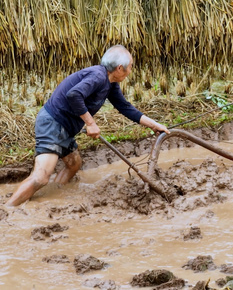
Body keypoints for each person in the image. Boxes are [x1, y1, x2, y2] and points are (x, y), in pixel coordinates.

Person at [5, 45, 170, 206]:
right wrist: (91, 123)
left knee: (73, 165)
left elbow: (125, 107)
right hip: (53, 124)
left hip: (65, 128)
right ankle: (7, 209)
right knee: (41, 177)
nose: (131, 71)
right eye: (131, 67)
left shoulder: (110, 84)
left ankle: (53, 197)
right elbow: (74, 95)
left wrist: (154, 125)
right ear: (120, 68)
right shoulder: (98, 76)